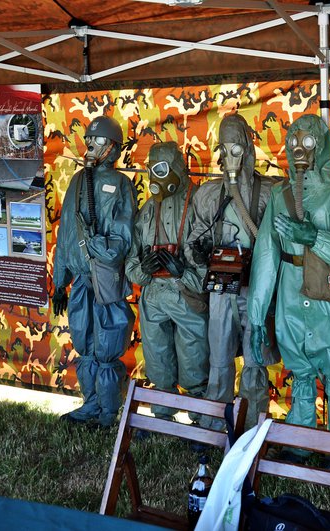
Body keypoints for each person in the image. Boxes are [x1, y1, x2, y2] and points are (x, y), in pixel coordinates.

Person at [247, 114, 330, 466]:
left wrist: (315, 238)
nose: (299, 149)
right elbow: (266, 256)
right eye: (293, 141)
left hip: (328, 297)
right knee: (301, 373)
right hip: (290, 294)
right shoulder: (280, 195)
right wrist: (257, 316)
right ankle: (300, 443)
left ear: (320, 146)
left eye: (307, 142)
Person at [185, 113, 278, 429]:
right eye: (224, 150)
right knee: (220, 358)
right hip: (221, 290)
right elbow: (194, 237)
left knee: (254, 359)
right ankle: (213, 425)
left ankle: (250, 428)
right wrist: (199, 254)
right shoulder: (209, 194)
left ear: (248, 149)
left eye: (236, 149)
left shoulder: (269, 192)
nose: (230, 157)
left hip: (256, 291)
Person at [52, 115, 137, 428]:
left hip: (106, 280)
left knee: (107, 346)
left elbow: (124, 238)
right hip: (81, 281)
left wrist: (99, 244)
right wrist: (59, 283)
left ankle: (108, 411)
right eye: (88, 139)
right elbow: (65, 235)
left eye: (98, 140)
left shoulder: (121, 185)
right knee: (84, 344)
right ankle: (90, 404)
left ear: (112, 147)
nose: (90, 145)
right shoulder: (78, 181)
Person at [125, 141, 208, 421]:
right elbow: (132, 258)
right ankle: (162, 417)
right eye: (151, 169)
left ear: (177, 168)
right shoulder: (148, 210)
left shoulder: (200, 204)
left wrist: (185, 272)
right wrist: (143, 270)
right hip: (154, 296)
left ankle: (200, 420)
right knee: (157, 360)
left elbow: (213, 257)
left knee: (195, 360)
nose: (155, 176)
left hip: (188, 296)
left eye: (160, 169)